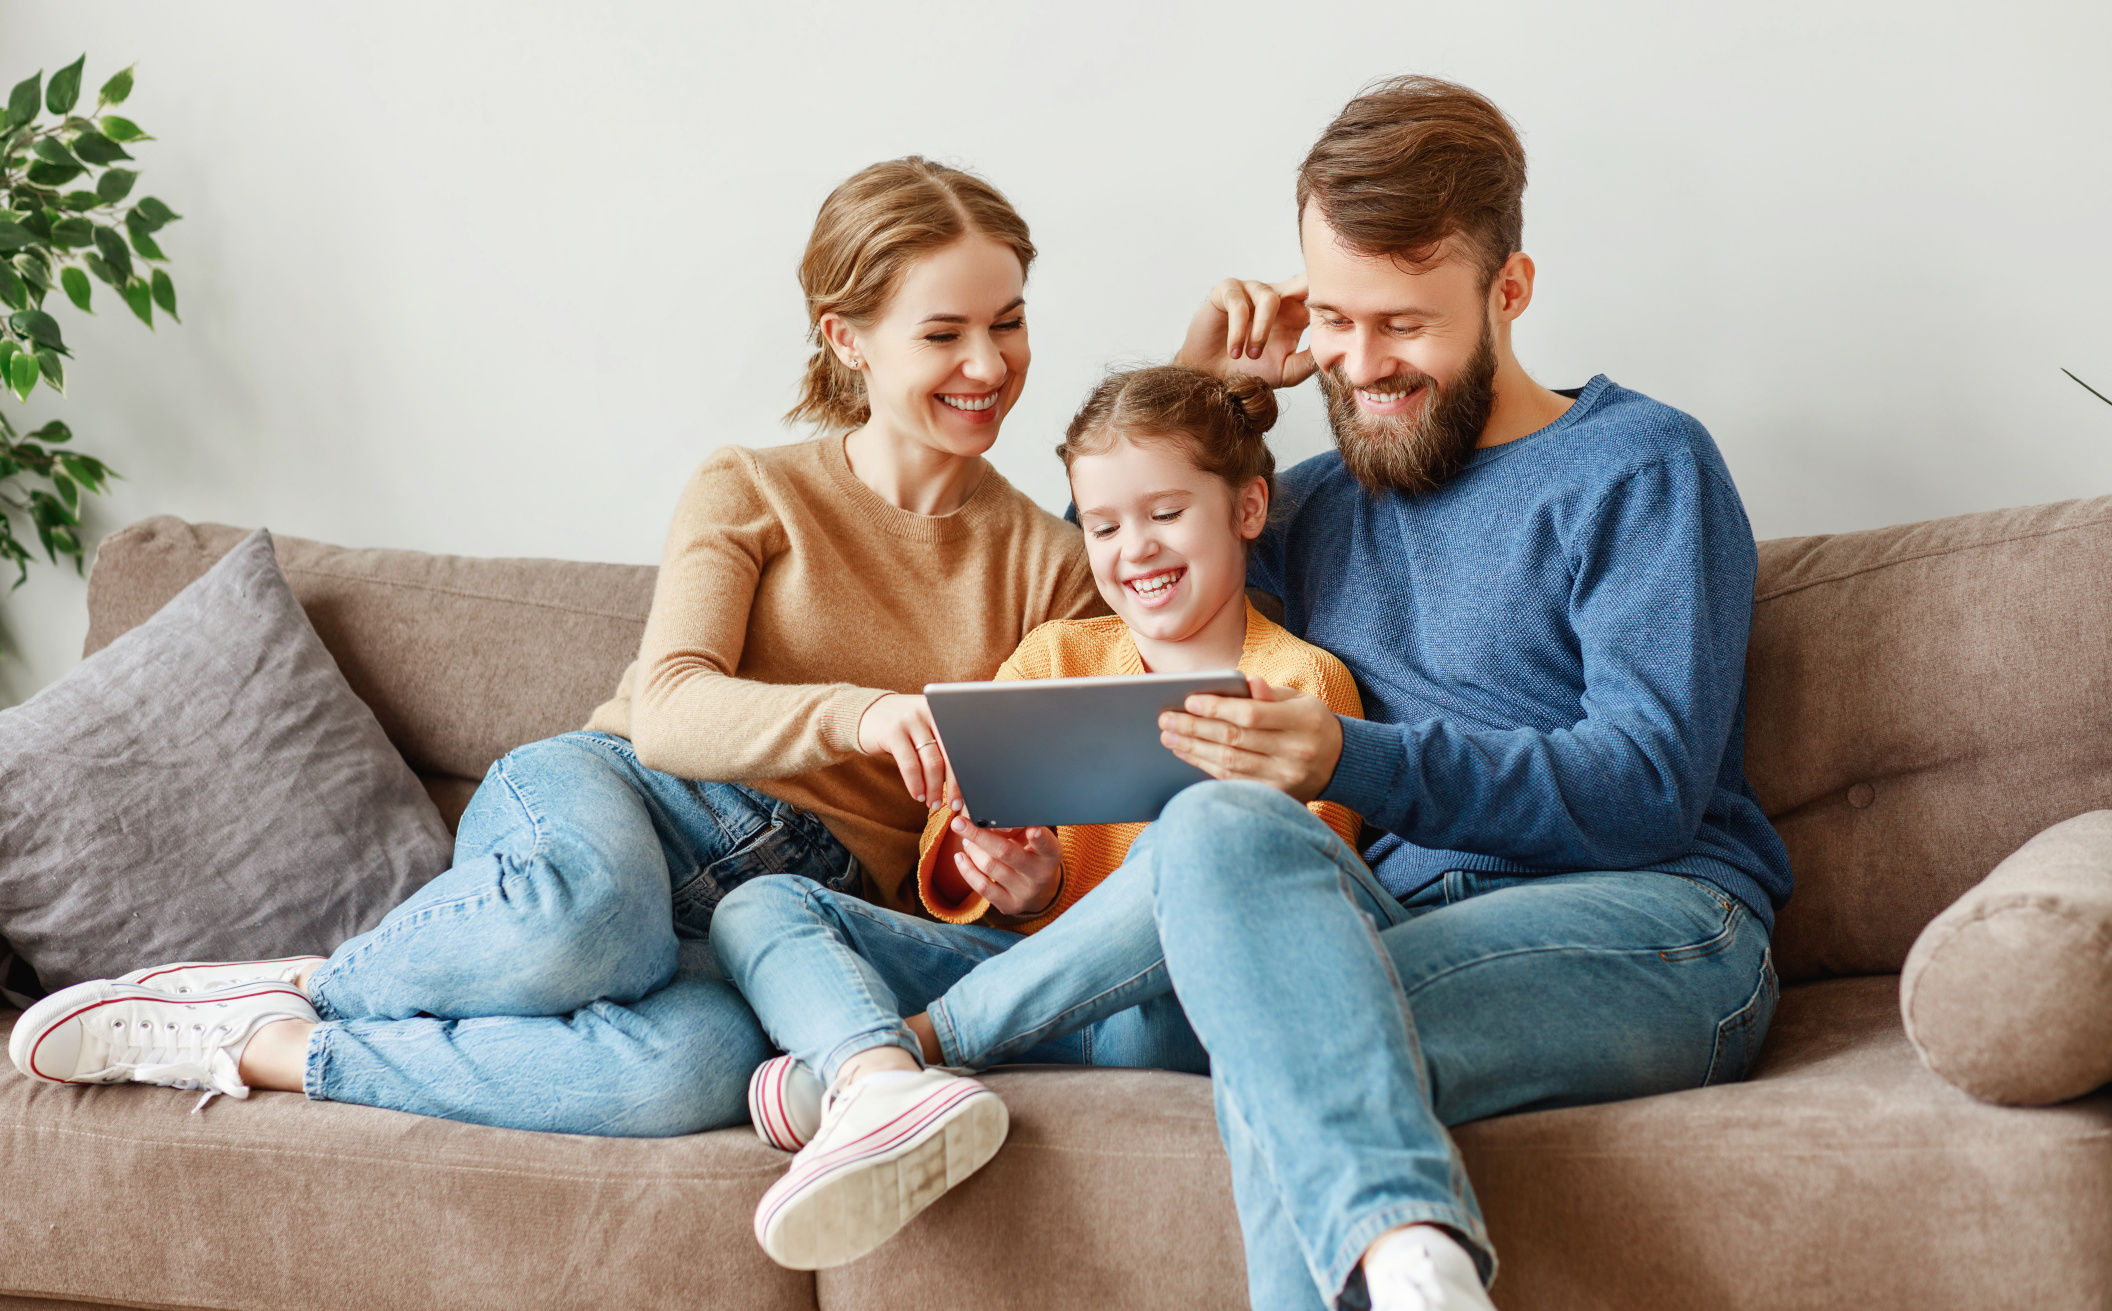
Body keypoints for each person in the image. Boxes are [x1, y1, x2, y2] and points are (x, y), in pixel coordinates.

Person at [8, 157, 1107, 1137]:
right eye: (945, 332)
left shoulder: (1048, 565)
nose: (990, 363)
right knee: (591, 922)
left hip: (797, 914)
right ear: (846, 337)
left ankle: (268, 1038)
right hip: (628, 802)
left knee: (694, 1074)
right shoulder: (753, 488)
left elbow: (984, 840)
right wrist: (861, 712)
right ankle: (334, 977)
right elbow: (673, 708)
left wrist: (1005, 878)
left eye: (1008, 322)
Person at [708, 363, 1369, 1271]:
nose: (1133, 548)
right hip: (1024, 974)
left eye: (1165, 513)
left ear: (1248, 509)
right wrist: (1018, 882)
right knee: (759, 905)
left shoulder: (1302, 686)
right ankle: (881, 1080)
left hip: (1166, 1012)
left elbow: (1291, 898)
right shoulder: (1057, 651)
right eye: (1103, 525)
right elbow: (952, 827)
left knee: (1200, 853)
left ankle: (894, 1056)